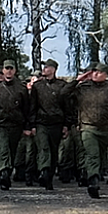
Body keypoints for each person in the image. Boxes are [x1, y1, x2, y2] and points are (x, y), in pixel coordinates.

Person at [61, 63, 108, 198]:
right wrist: (79, 79)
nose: (95, 74)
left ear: (105, 74)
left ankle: (96, 174)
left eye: (98, 72)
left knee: (101, 156)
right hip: (88, 127)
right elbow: (64, 93)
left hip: (105, 128)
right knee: (92, 154)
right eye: (93, 72)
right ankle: (93, 181)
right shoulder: (83, 88)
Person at [0, 59, 31, 190]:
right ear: (3, 71)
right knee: (4, 150)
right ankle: (4, 174)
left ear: (15, 71)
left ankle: (7, 172)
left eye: (11, 68)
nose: (9, 71)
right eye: (7, 69)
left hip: (16, 125)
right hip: (0, 125)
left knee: (12, 150)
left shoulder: (21, 89)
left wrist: (27, 126)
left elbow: (26, 109)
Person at [29, 59, 67, 190]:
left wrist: (66, 125)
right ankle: (44, 171)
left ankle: (49, 176)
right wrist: (32, 125)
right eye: (44, 66)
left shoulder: (62, 85)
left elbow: (67, 107)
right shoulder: (37, 86)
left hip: (56, 122)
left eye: (47, 67)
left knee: (54, 150)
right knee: (43, 147)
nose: (44, 69)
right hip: (41, 122)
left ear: (54, 69)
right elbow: (32, 106)